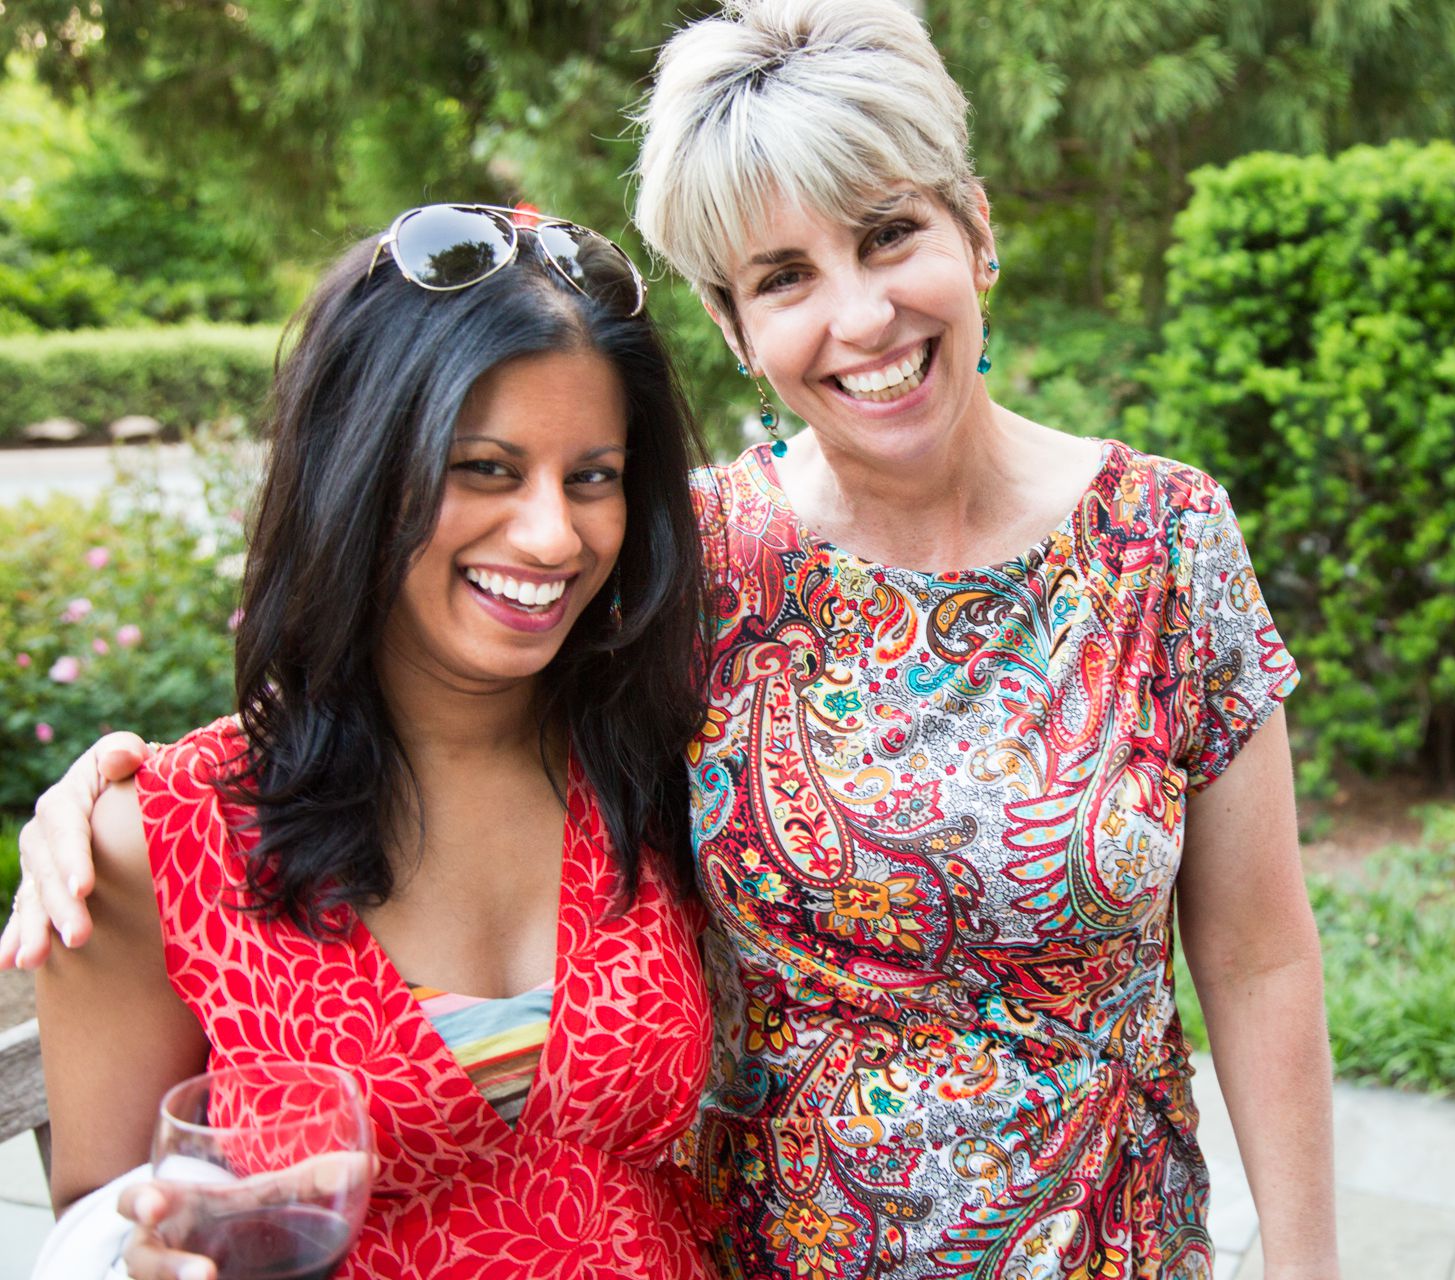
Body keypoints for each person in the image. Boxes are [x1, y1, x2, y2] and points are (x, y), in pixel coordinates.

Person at [7, 4, 1341, 1277]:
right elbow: (416, 688)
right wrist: (122, 792)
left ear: (975, 229)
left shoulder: (1164, 539)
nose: (861, 316)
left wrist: (1309, 1262)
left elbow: (1260, 952)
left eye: (888, 236)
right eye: (784, 276)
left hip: (1102, 1243)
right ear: (734, 327)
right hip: (760, 1254)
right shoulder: (693, 566)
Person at [25, 205, 718, 1279]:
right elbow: (100, 1217)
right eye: (484, 467)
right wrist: (143, 1254)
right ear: (357, 465)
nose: (552, 533)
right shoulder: (146, 843)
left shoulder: (657, 757)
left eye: (593, 476)